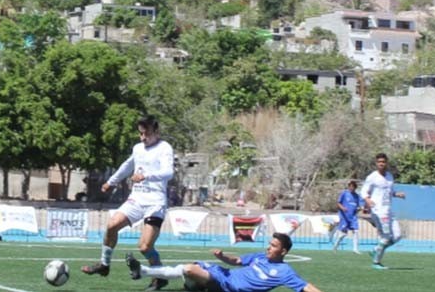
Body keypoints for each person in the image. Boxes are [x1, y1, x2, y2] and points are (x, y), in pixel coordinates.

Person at [82, 115, 175, 291]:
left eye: (146, 134)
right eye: (140, 134)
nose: (142, 138)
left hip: (155, 202)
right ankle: (104, 264)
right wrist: (111, 181)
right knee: (111, 225)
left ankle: (159, 277)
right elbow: (127, 165)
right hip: (136, 199)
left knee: (144, 247)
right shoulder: (138, 148)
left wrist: (146, 175)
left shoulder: (164, 148)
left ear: (156, 131)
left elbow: (168, 172)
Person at [125, 233, 322, 292]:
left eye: (273, 246)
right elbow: (237, 260)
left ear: (283, 251)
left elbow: (306, 287)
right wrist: (222, 256)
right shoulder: (260, 257)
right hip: (224, 274)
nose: (268, 248)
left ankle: (143, 271)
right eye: (269, 244)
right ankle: (192, 287)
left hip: (228, 287)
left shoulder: (285, 271)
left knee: (188, 269)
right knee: (193, 268)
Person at [361, 153, 406, 270]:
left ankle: (376, 250)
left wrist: (397, 194)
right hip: (378, 211)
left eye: (383, 162)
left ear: (387, 163)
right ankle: (376, 262)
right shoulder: (372, 177)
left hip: (389, 210)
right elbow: (363, 192)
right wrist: (368, 200)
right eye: (379, 162)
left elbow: (389, 192)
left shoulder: (389, 176)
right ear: (376, 163)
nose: (381, 164)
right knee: (385, 237)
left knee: (398, 236)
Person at [333, 180, 361, 254]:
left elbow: (358, 206)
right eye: (350, 186)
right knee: (344, 234)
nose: (352, 188)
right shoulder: (344, 193)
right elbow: (338, 203)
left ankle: (355, 249)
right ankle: (336, 245)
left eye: (353, 186)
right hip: (345, 216)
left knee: (356, 231)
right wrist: (343, 208)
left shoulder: (357, 196)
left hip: (353, 217)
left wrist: (358, 209)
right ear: (349, 186)